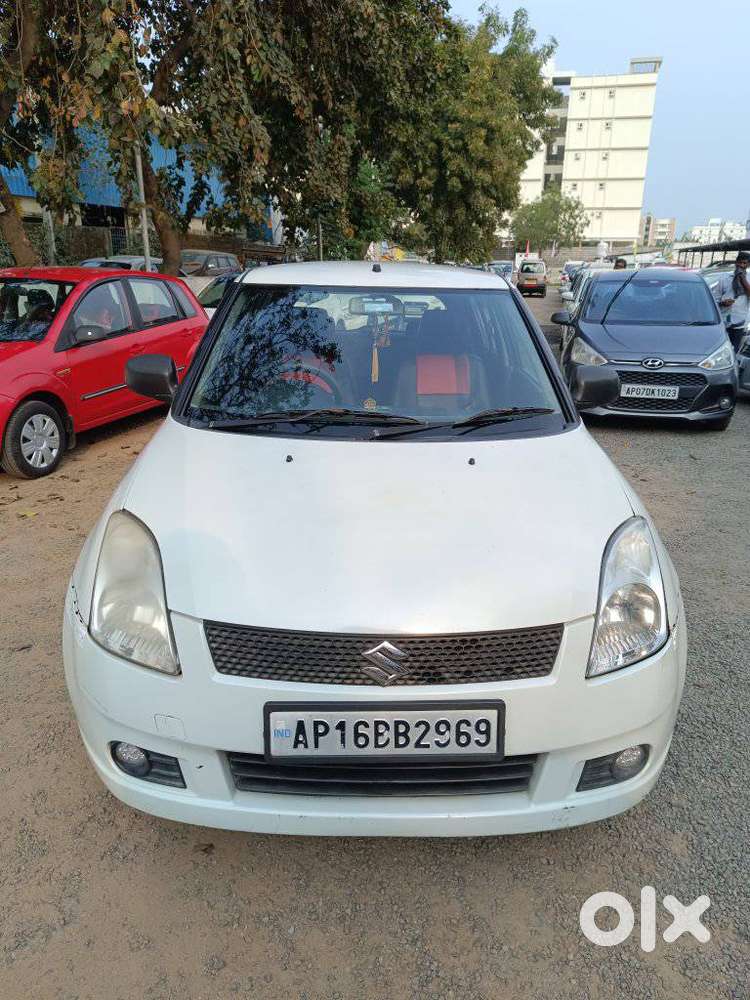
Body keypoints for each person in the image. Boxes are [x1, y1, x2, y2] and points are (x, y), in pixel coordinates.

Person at [713, 251, 750, 351]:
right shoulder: (725, 278)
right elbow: (715, 299)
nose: (741, 265)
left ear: (748, 265)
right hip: (723, 321)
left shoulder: (749, 278)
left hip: (740, 322)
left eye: (744, 263)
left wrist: (742, 278)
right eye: (739, 262)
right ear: (736, 263)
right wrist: (723, 303)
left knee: (734, 351)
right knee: (720, 350)